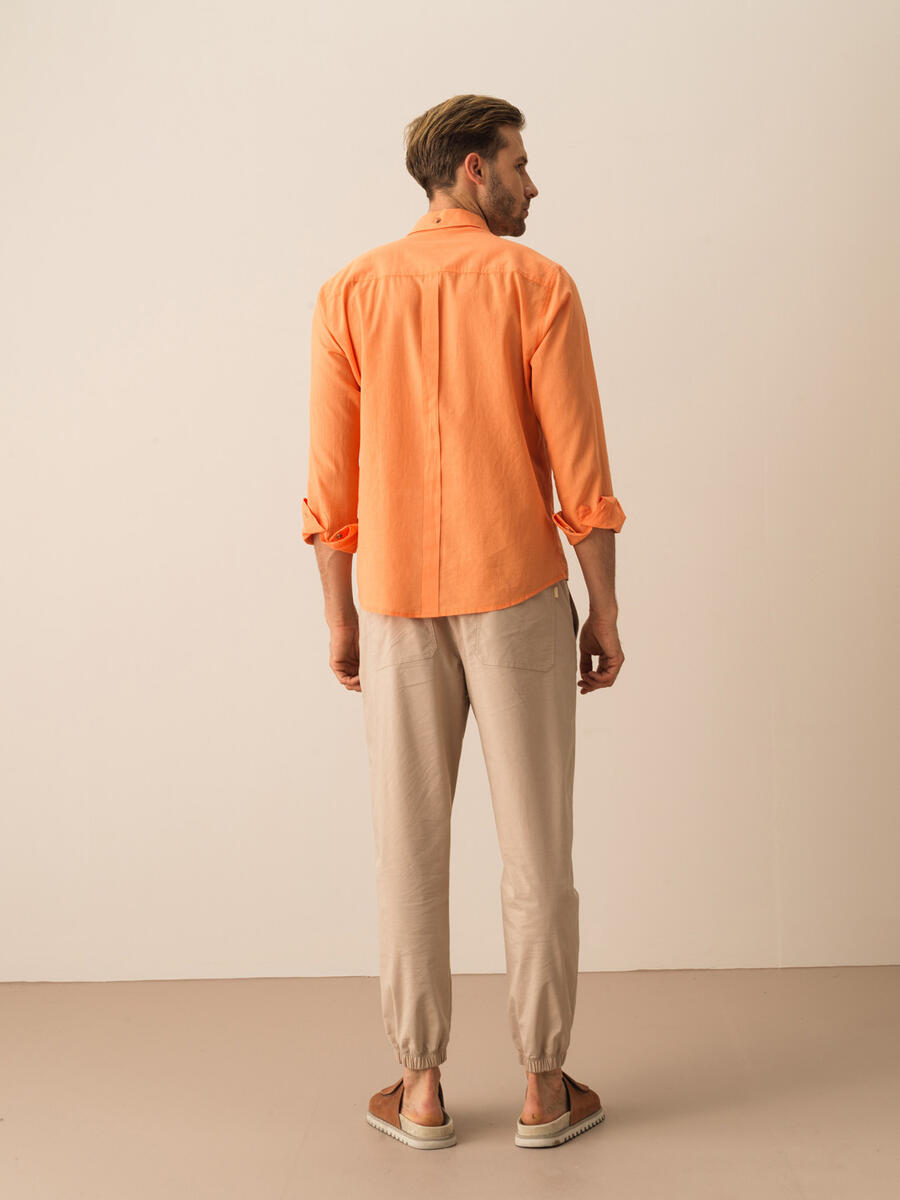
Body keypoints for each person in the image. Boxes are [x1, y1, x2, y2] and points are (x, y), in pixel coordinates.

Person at [302, 94, 626, 1150]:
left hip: (394, 603)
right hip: (519, 596)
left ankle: (421, 1089)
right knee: (538, 849)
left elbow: (331, 483)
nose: (534, 183)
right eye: (520, 163)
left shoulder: (350, 292)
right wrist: (604, 606)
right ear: (475, 170)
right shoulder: (537, 284)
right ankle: (543, 1088)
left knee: (407, 848)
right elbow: (580, 469)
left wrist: (339, 615)